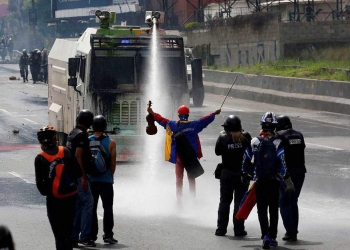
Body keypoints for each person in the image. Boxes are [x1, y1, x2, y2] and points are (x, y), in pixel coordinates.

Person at [147, 104, 221, 201]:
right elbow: (205, 120)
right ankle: (192, 199)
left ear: (178, 115)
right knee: (191, 178)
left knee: (179, 179)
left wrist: (152, 113)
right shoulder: (195, 125)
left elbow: (161, 120)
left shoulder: (172, 125)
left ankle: (179, 200)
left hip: (179, 157)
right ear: (188, 115)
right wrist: (214, 113)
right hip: (191, 157)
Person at [242, 111, 287, 249]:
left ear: (262, 125)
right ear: (274, 126)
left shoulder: (255, 141)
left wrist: (247, 174)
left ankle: (265, 235)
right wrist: (282, 177)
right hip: (274, 181)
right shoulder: (278, 142)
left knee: (261, 209)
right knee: (273, 210)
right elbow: (283, 164)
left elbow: (246, 160)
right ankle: (273, 237)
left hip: (259, 180)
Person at [34, 126, 77, 250]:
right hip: (71, 197)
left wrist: (50, 191)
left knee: (59, 236)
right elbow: (77, 172)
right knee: (68, 233)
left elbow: (40, 185)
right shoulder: (66, 151)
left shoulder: (40, 158)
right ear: (55, 140)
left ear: (41, 143)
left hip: (54, 200)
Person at [215, 115, 251, 237]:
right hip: (242, 173)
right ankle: (239, 229)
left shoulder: (223, 137)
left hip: (227, 173)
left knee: (224, 201)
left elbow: (217, 152)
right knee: (239, 203)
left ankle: (221, 229)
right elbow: (252, 151)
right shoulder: (245, 137)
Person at [66, 109, 96, 247]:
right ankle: (84, 237)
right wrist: (84, 177)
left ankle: (73, 237)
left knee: (78, 206)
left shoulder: (72, 133)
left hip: (72, 175)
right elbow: (78, 156)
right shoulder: (82, 136)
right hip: (79, 176)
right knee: (88, 203)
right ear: (88, 122)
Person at [89, 115, 118, 244]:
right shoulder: (111, 142)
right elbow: (113, 164)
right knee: (108, 208)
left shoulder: (87, 140)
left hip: (92, 180)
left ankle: (91, 236)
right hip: (106, 181)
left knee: (92, 209)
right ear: (105, 126)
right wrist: (110, 175)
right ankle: (108, 235)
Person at [276, 115, 306, 242]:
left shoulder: (280, 136)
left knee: (284, 202)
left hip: (286, 174)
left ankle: (290, 232)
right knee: (293, 201)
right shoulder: (299, 135)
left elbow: (278, 154)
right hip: (300, 172)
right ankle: (293, 230)